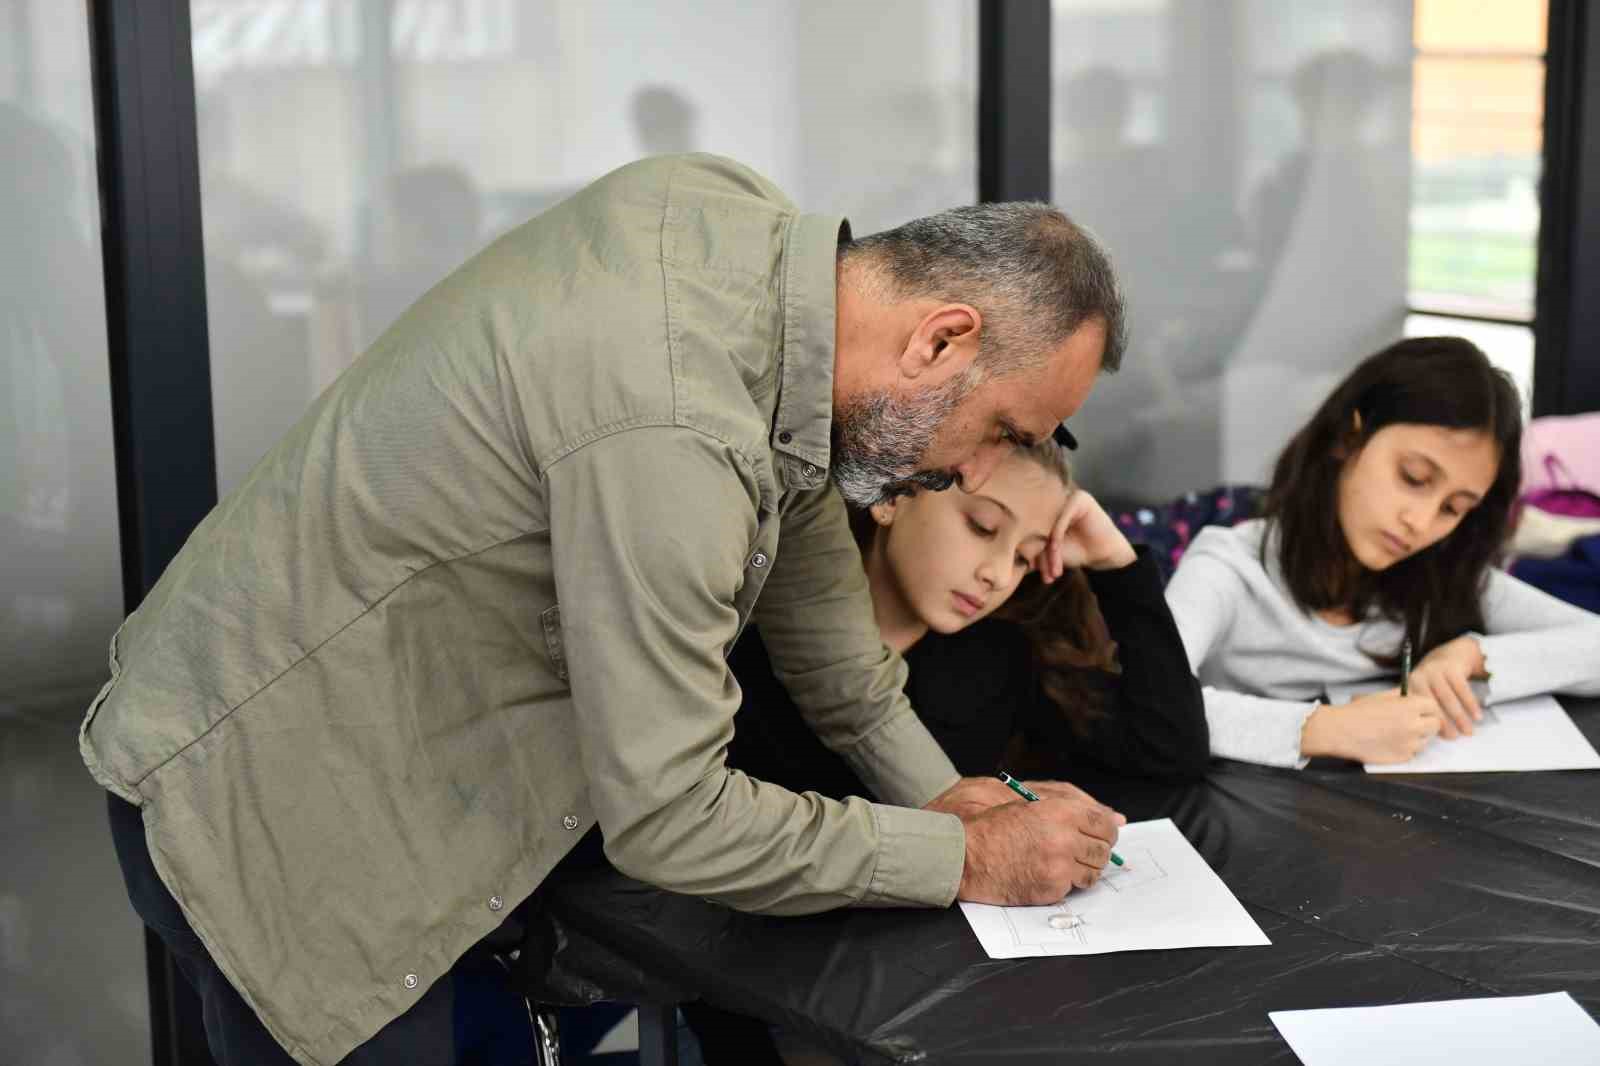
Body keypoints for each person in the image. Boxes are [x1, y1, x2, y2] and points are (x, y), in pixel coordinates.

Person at [79, 153, 1129, 1064]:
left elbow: (827, 633)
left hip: (337, 730)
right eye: (1000, 428)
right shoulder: (676, 426)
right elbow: (671, 820)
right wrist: (963, 859)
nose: (976, 471)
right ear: (939, 340)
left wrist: (943, 796)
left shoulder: (739, 230)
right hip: (279, 809)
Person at [1166, 336, 1600, 768]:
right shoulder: (1228, 568)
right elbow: (1146, 699)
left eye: (1454, 508)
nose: (1422, 523)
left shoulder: (1445, 577)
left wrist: (1475, 654)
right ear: (1348, 438)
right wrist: (1325, 728)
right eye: (1413, 477)